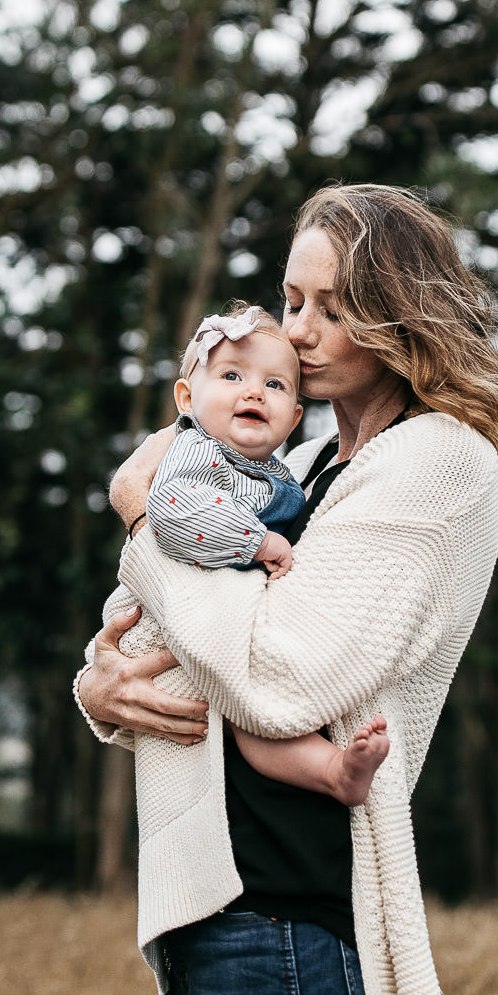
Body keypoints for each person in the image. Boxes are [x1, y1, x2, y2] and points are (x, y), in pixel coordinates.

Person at [75, 183, 498, 995]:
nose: (298, 331)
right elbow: (192, 647)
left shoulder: (439, 464)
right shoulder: (304, 469)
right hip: (210, 919)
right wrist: (99, 689)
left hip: (290, 925)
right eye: (290, 298)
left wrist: (145, 520)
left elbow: (274, 676)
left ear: (398, 314)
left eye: (330, 306)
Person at [146, 298, 391, 807]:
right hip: (178, 624)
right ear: (187, 399)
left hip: (224, 628)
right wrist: (255, 541)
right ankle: (330, 771)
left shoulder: (282, 471)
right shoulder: (196, 450)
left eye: (274, 385)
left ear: (294, 416)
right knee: (253, 713)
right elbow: (172, 512)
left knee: (255, 717)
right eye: (232, 376)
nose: (254, 391)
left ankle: (334, 770)